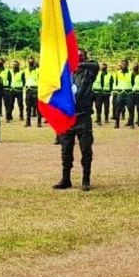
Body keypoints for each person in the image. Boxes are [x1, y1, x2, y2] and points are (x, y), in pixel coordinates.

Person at [54, 51, 100, 191]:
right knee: (66, 150)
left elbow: (96, 65)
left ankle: (86, 179)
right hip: (68, 116)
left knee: (86, 149)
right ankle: (65, 179)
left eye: (81, 56)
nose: (78, 57)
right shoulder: (66, 73)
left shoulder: (89, 72)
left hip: (83, 116)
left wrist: (77, 62)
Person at [25, 58, 41, 127]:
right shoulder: (25, 70)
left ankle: (39, 122)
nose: (30, 62)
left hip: (36, 90)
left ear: (34, 62)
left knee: (38, 107)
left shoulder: (38, 70)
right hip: (28, 90)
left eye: (31, 61)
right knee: (28, 107)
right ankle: (28, 122)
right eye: (29, 61)